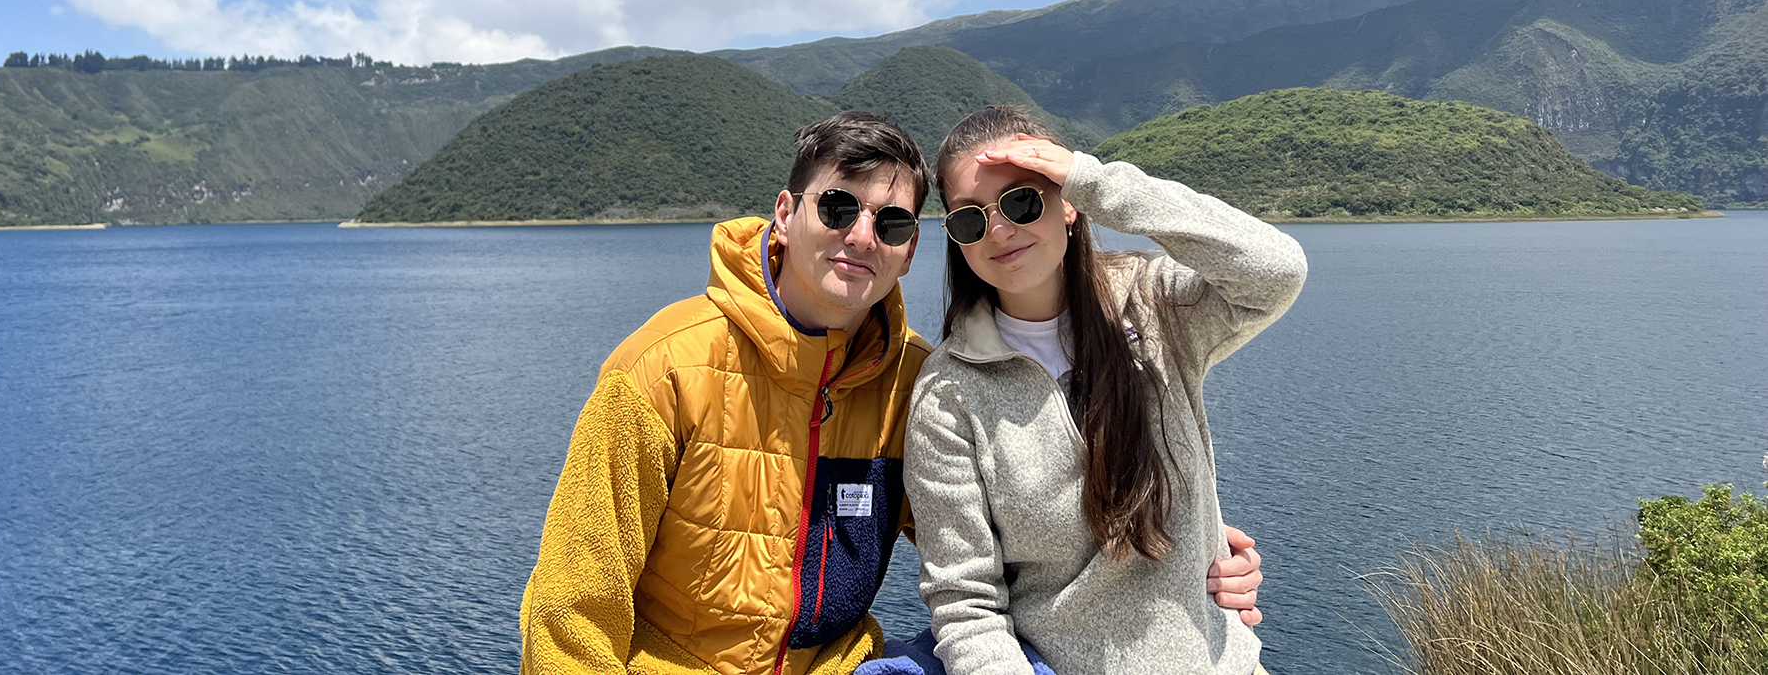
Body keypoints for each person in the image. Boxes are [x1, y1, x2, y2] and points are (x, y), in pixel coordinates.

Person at [520, 109, 1269, 675]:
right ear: (786, 215)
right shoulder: (663, 367)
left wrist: (1191, 532)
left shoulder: (909, 377)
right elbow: (572, 602)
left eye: (891, 221)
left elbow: (986, 548)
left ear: (911, 248)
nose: (859, 236)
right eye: (837, 207)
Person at [904, 106, 1307, 675]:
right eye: (970, 218)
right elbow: (966, 605)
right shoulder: (949, 393)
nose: (998, 230)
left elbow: (1276, 270)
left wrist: (1096, 181)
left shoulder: (1156, 303)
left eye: (1022, 201)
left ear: (1068, 204)